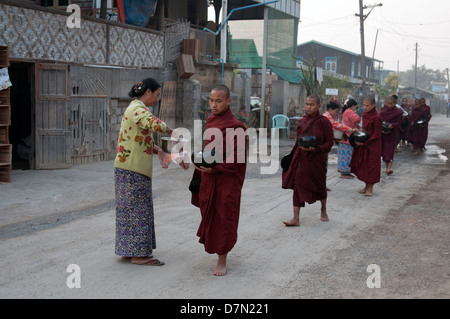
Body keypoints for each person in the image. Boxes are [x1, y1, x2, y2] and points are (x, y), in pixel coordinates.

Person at [114, 78, 176, 266]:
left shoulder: (134, 109)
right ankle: (139, 256)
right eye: (157, 95)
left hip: (128, 168)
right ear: (148, 92)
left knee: (128, 212)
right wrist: (172, 131)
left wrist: (161, 152)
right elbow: (154, 124)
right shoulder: (138, 110)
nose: (158, 99)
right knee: (139, 211)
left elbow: (145, 139)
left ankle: (128, 250)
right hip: (132, 169)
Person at [191, 84, 247, 276]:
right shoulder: (211, 121)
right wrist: (201, 161)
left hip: (227, 181)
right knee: (211, 215)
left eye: (218, 101)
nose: (213, 105)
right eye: (211, 100)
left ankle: (222, 260)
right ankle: (217, 250)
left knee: (225, 219)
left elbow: (237, 161)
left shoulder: (237, 127)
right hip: (210, 177)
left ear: (229, 101)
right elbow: (210, 150)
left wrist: (215, 167)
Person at [282, 94, 334, 226]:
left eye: (311, 105)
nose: (308, 107)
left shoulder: (324, 122)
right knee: (298, 185)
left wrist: (316, 149)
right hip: (302, 158)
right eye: (306, 104)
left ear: (318, 106)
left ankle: (323, 210)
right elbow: (297, 141)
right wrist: (293, 156)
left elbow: (329, 142)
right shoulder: (302, 121)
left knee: (320, 186)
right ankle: (296, 218)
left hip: (317, 160)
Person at [350, 96, 382, 197]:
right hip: (364, 142)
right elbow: (364, 128)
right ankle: (366, 186)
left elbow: (377, 134)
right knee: (364, 164)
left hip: (373, 144)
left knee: (372, 166)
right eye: (364, 105)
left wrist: (366, 142)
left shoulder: (377, 118)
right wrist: (359, 136)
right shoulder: (364, 114)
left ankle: (370, 188)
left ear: (373, 106)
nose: (365, 107)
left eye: (367, 106)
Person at [338, 98, 361, 179]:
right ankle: (345, 173)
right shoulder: (350, 112)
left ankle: (345, 172)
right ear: (353, 105)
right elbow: (357, 119)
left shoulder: (345, 111)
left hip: (344, 136)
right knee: (347, 156)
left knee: (343, 155)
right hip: (349, 136)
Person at [380, 95, 403, 175]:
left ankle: (389, 168)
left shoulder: (398, 112)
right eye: (388, 103)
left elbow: (399, 122)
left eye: (391, 104)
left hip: (392, 134)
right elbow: (380, 120)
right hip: (383, 134)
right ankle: (387, 168)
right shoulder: (383, 111)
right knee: (384, 151)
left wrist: (392, 125)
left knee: (389, 151)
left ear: (395, 103)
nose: (389, 105)